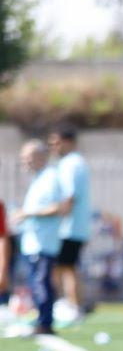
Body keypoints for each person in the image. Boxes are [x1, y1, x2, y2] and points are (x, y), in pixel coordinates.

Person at [10, 141, 63, 335]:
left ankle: (45, 323)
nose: (24, 161)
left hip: (44, 242)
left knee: (42, 283)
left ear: (41, 156)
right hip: (33, 242)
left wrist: (27, 213)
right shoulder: (39, 178)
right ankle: (41, 319)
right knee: (36, 283)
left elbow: (57, 208)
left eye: (28, 157)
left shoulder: (50, 178)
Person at [49, 123, 92, 324]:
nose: (53, 147)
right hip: (75, 226)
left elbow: (69, 197)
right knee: (68, 267)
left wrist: (57, 220)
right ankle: (75, 305)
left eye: (56, 142)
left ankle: (72, 307)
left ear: (68, 142)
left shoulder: (71, 163)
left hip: (69, 227)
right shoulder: (75, 162)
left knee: (64, 268)